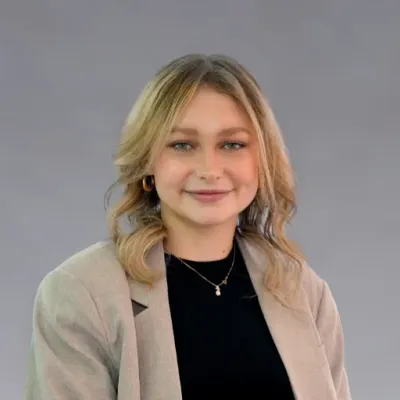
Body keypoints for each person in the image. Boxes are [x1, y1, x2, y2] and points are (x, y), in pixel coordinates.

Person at [23, 53, 351, 400]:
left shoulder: (303, 291)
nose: (209, 169)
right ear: (148, 161)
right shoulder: (81, 293)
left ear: (262, 161)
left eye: (232, 144)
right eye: (182, 145)